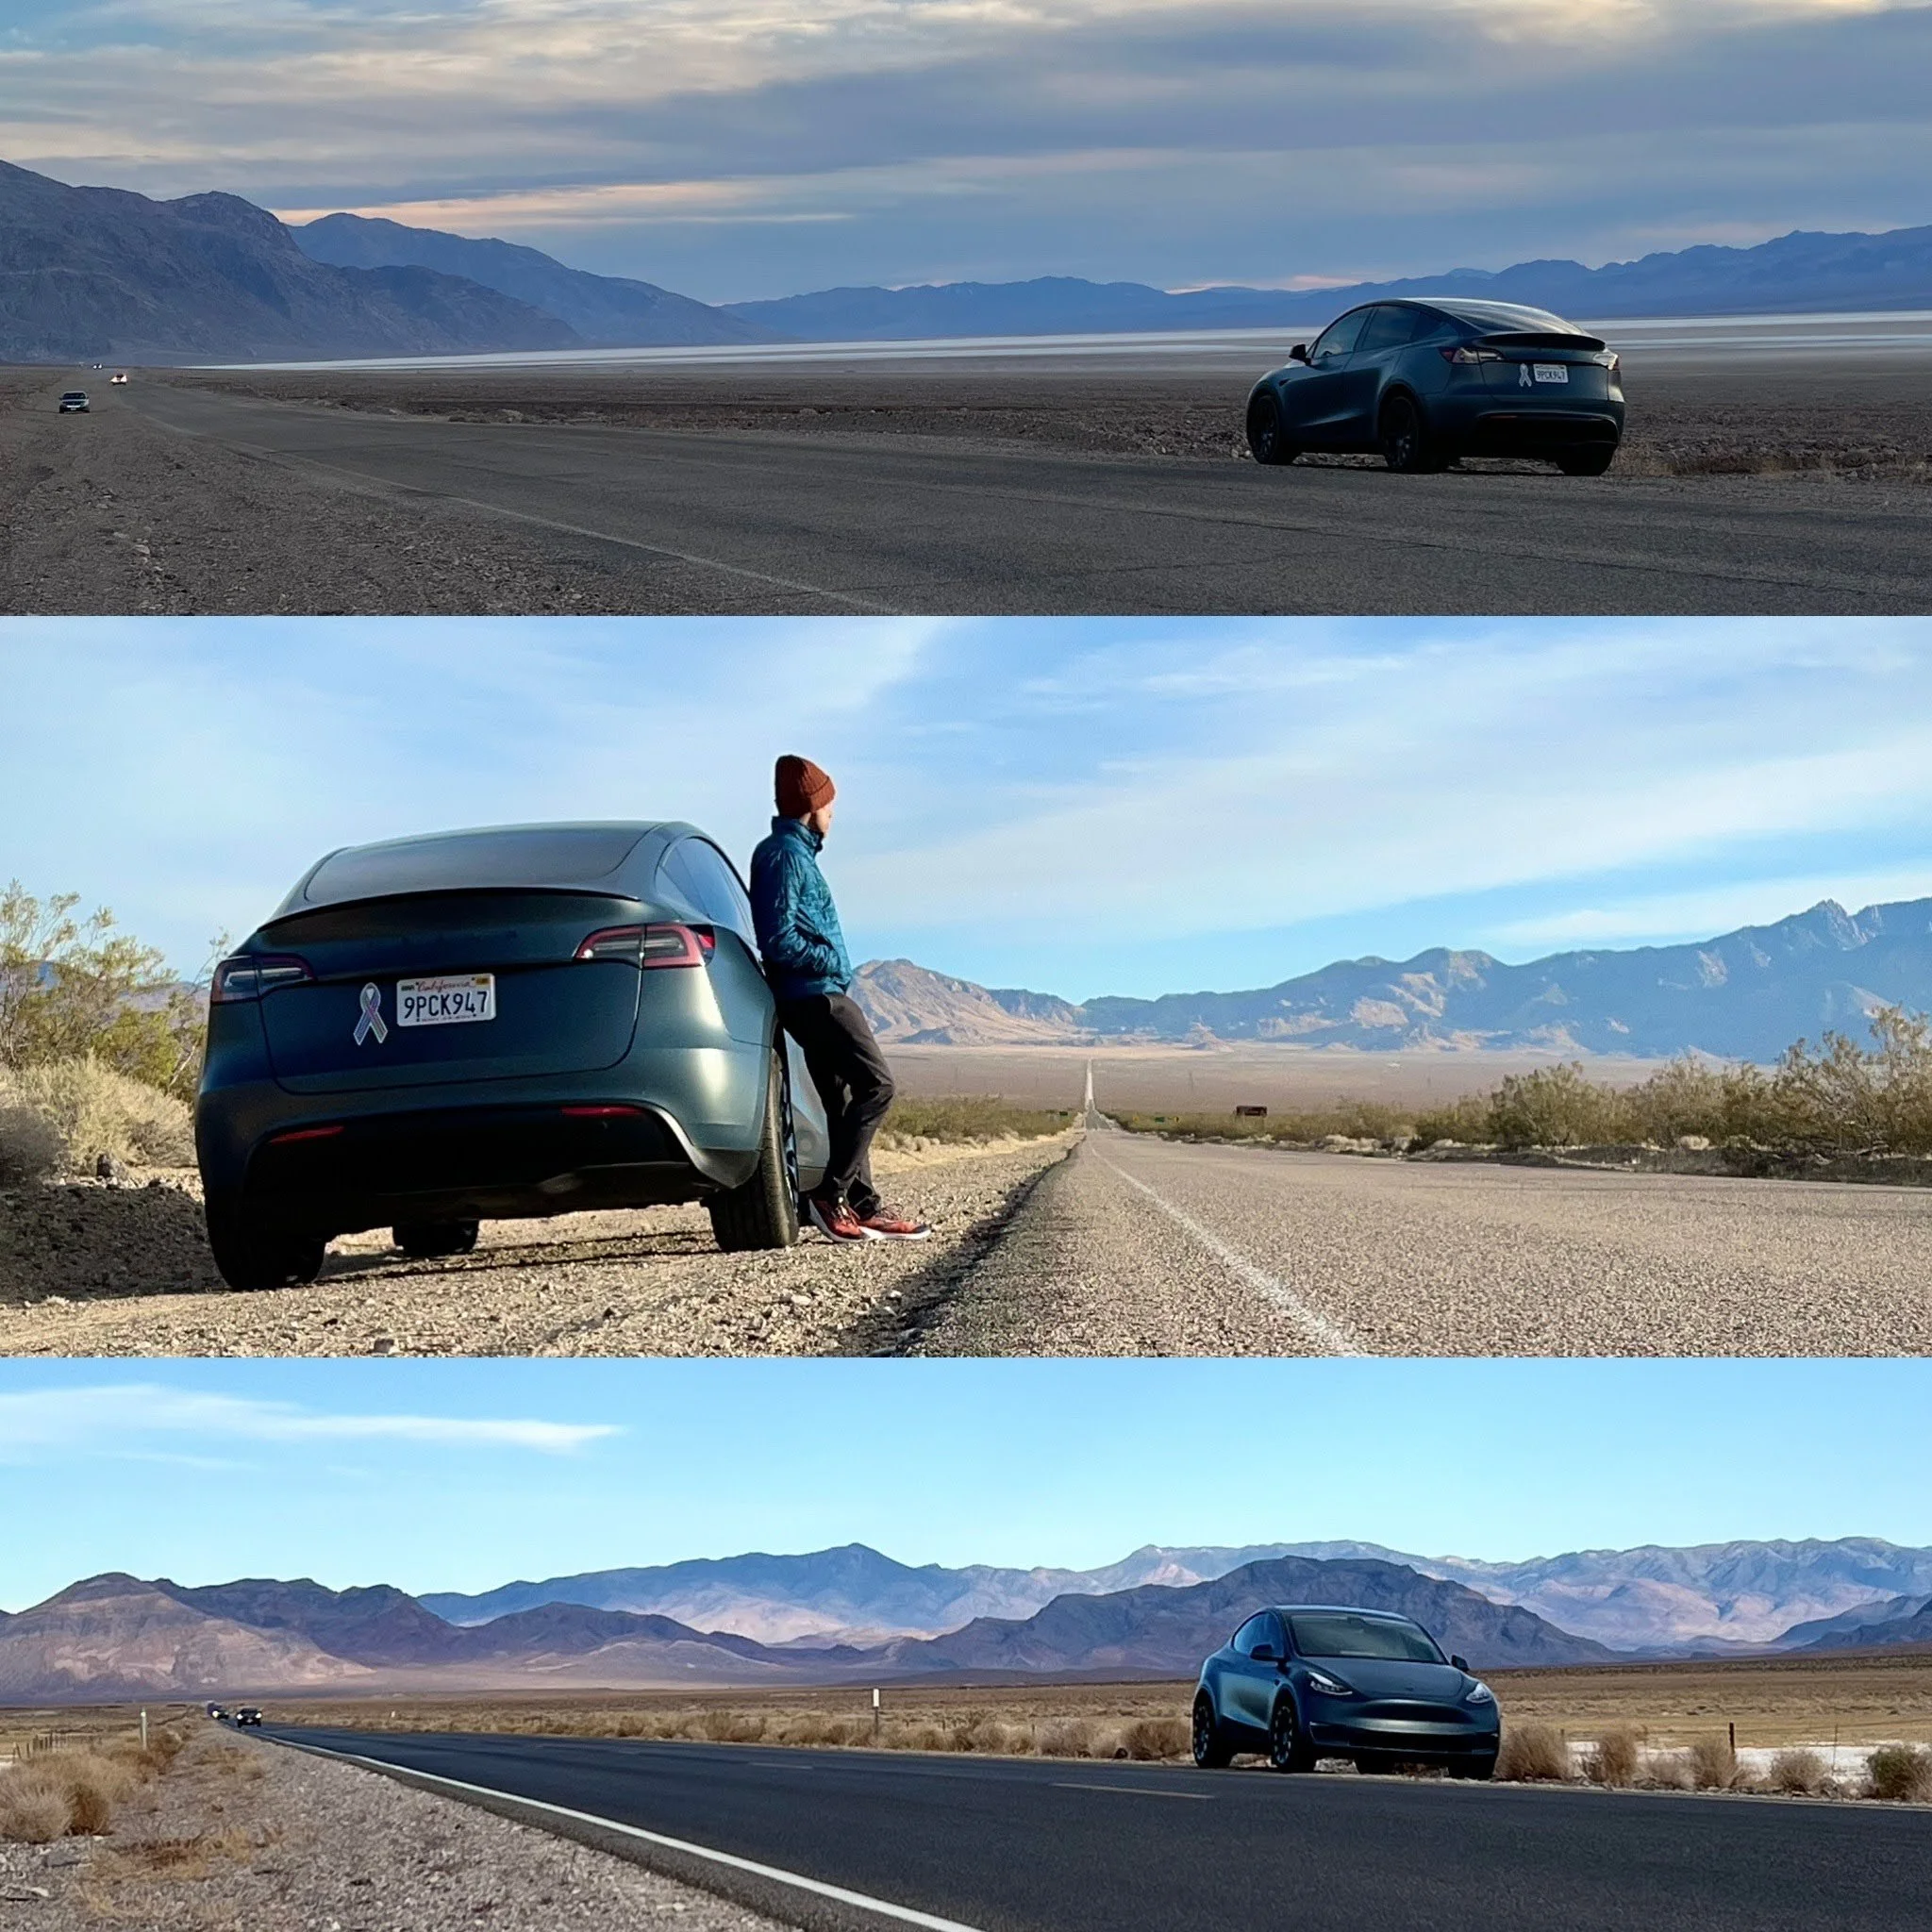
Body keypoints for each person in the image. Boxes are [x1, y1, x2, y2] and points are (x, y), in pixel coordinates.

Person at [749, 756, 931, 1243]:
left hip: (812, 994)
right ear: (813, 807)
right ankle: (831, 1196)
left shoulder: (795, 855)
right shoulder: (785, 856)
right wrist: (828, 958)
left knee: (843, 1099)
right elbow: (778, 938)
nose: (833, 814)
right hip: (817, 995)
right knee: (878, 1087)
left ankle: (864, 1205)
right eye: (829, 804)